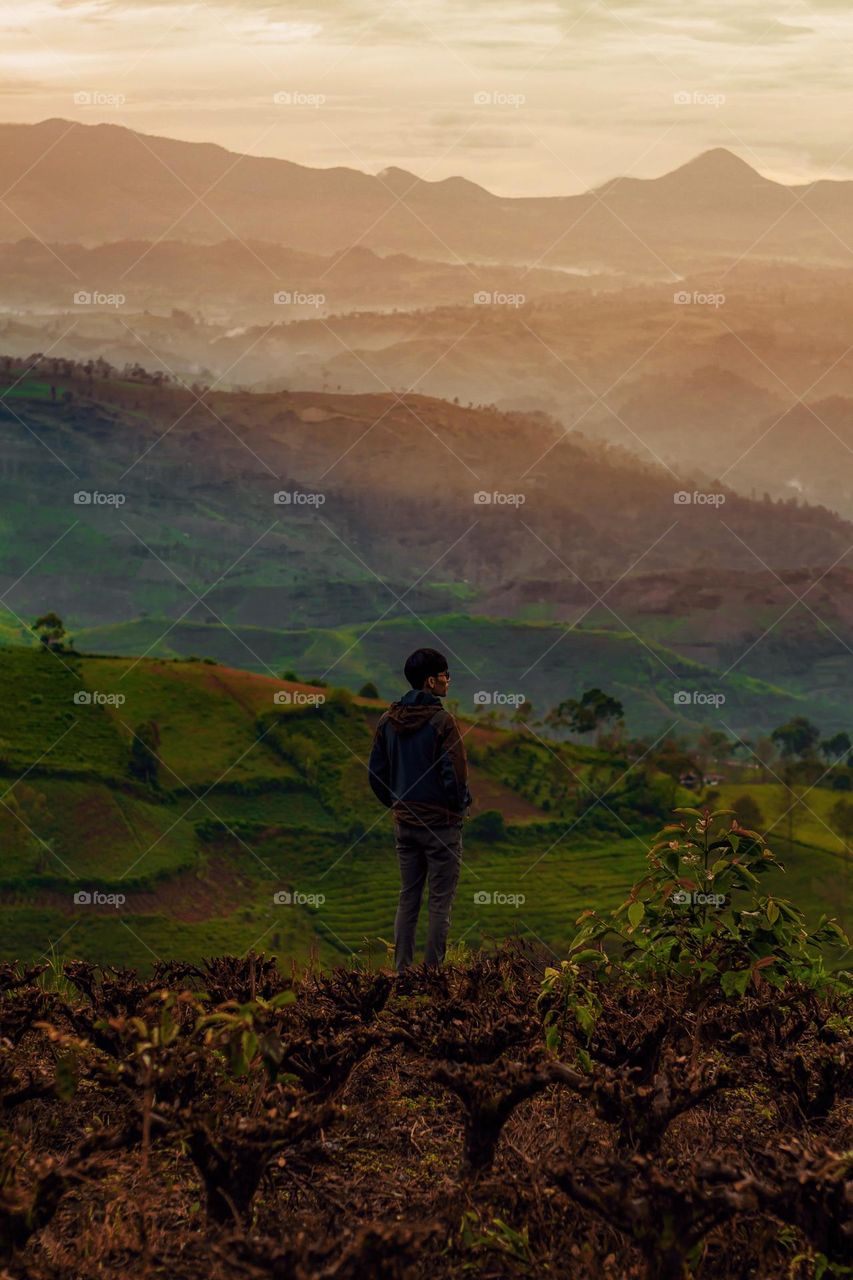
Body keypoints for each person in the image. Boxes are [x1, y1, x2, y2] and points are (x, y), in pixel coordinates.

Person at [368, 648, 471, 972]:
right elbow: (454, 776)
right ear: (430, 681)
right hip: (441, 827)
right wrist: (458, 807)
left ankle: (402, 971)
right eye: (444, 675)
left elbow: (376, 774)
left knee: (408, 897)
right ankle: (432, 974)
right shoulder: (443, 722)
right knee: (440, 902)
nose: (448, 680)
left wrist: (398, 804)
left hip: (405, 824)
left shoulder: (387, 721)